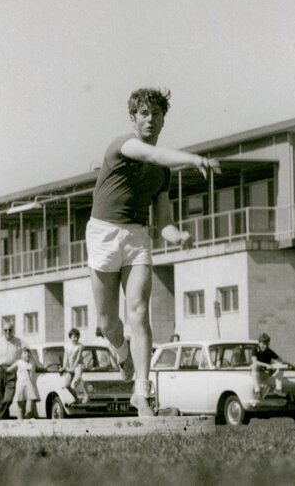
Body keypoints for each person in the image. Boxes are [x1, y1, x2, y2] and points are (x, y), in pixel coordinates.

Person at [86, 87, 220, 416]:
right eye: (144, 114)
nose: (150, 119)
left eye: (156, 114)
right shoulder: (123, 145)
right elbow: (153, 155)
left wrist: (178, 237)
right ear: (133, 118)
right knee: (108, 322)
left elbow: (164, 222)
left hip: (136, 237)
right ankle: (122, 354)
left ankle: (142, 392)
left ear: (163, 120)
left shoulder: (162, 174)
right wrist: (194, 159)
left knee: (139, 313)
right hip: (103, 234)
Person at [0, 323, 23, 420]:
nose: (8, 332)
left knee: (8, 398)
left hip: (12, 370)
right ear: (3, 331)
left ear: (13, 330)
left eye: (10, 330)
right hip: (0, 370)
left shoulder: (19, 342)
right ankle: (3, 419)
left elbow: (27, 351)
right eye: (5, 330)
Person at [9, 347, 41, 419]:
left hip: (30, 387)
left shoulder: (33, 363)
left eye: (29, 353)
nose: (27, 354)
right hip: (21, 386)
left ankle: (27, 421)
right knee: (20, 408)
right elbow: (9, 369)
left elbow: (41, 367)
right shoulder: (18, 363)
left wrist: (35, 359)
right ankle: (20, 423)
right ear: (21, 354)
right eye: (25, 353)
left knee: (29, 410)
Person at [61, 328, 87, 404]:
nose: (76, 339)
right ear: (70, 337)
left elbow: (78, 358)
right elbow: (66, 357)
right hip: (70, 366)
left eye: (77, 337)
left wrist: (73, 368)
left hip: (78, 365)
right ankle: (76, 399)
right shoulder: (66, 345)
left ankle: (85, 395)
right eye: (74, 337)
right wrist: (64, 367)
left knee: (76, 379)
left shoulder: (80, 346)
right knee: (67, 385)